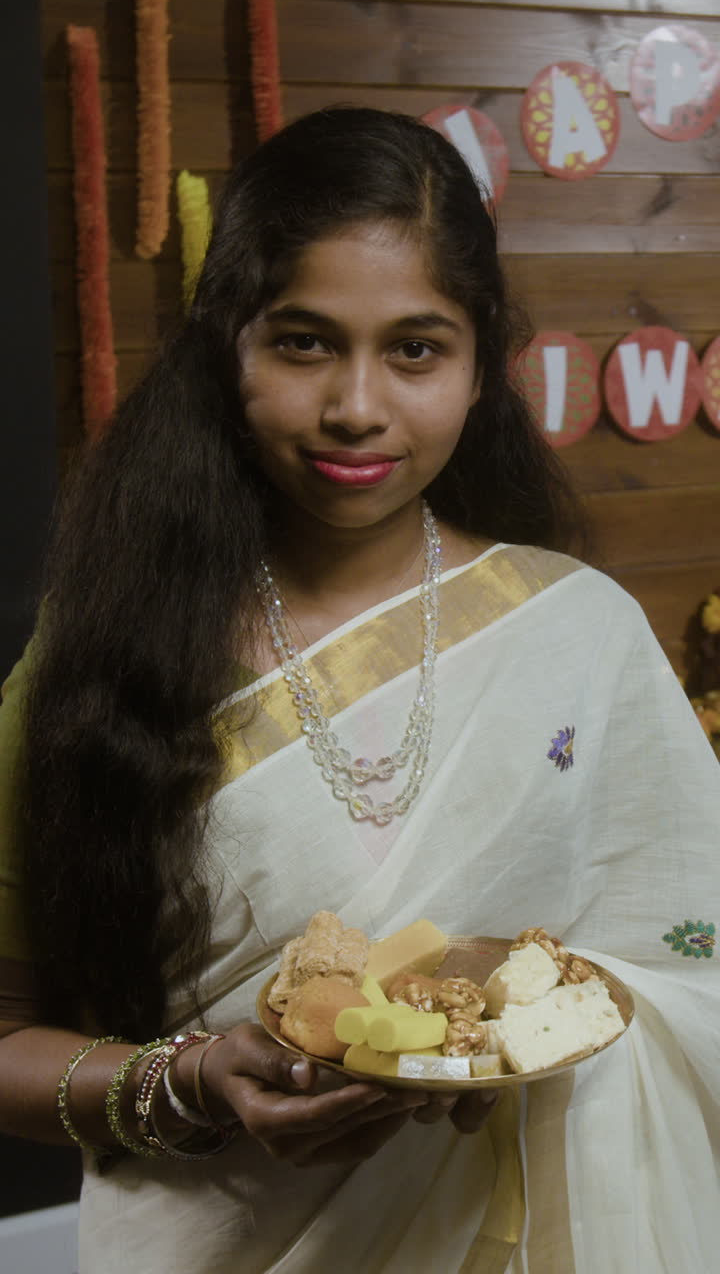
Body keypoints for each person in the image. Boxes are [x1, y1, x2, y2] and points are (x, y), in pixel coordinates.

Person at [0, 106, 718, 1274]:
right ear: (227, 349)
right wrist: (190, 1081)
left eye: (416, 349)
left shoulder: (578, 631)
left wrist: (525, 1035)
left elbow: (695, 959)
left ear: (483, 363)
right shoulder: (95, 663)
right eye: (303, 342)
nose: (357, 405)